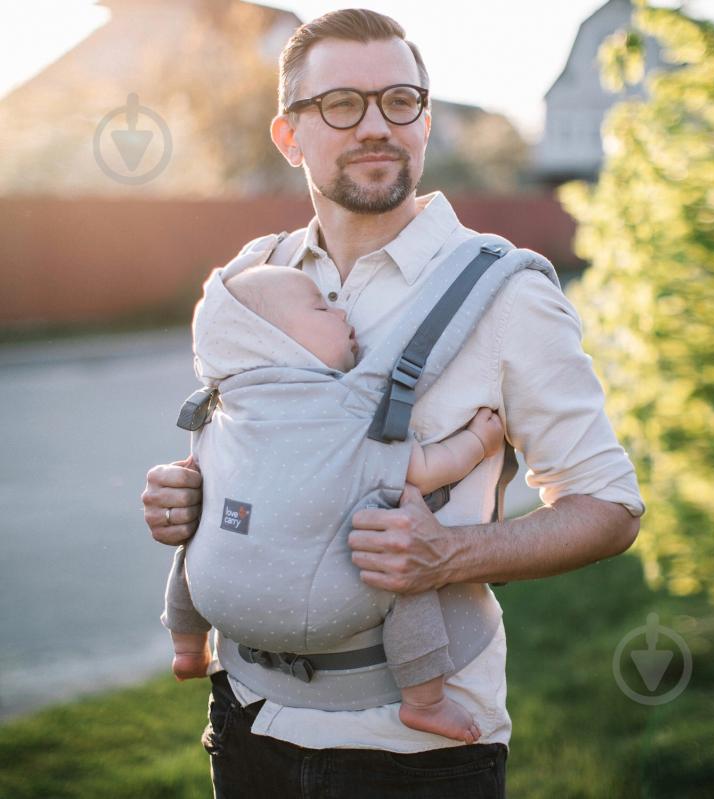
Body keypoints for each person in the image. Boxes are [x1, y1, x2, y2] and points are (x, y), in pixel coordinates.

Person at [142, 9, 645, 797]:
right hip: (244, 718)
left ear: (424, 119)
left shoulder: (505, 294)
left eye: (399, 101)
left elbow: (609, 506)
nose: (376, 125)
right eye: (342, 104)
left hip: (413, 755)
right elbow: (247, 445)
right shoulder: (252, 280)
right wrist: (191, 494)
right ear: (289, 135)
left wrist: (449, 554)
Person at [163, 263, 505, 745]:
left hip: (218, 600)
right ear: (273, 340)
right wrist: (480, 440)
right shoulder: (342, 407)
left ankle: (185, 647)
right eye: (321, 306)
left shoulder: (223, 413)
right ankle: (425, 702)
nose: (341, 310)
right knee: (406, 575)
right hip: (335, 611)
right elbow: (426, 468)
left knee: (197, 542)